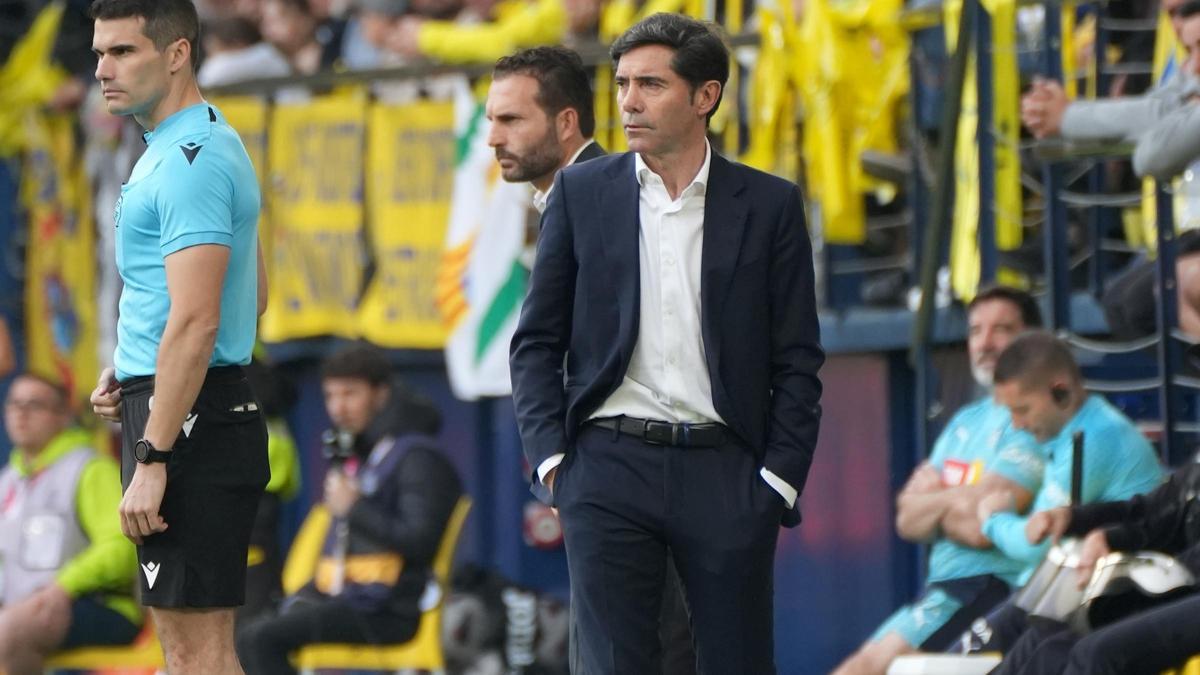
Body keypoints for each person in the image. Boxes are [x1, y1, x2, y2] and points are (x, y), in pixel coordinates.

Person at [509, 13, 824, 674]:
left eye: (650, 84)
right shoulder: (581, 191)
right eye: (623, 83)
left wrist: (778, 479)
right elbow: (536, 342)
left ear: (704, 96)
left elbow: (797, 358)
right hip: (607, 465)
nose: (628, 101)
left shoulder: (769, 205)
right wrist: (553, 463)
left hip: (728, 471)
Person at [488, 46, 695, 675]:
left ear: (567, 122)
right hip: (600, 478)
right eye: (492, 121)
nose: (494, 138)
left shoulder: (627, 199)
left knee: (655, 651)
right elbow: (539, 351)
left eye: (512, 121)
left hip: (652, 468)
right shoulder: (562, 204)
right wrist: (556, 467)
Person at [87, 1, 270, 672]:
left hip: (188, 426)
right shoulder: (188, 143)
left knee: (195, 652)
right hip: (181, 405)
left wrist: (154, 453)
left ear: (176, 54)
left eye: (123, 52)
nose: (103, 69)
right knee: (189, 649)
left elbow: (199, 320)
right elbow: (253, 294)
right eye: (99, 53)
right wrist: (133, 369)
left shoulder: (190, 160)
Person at [831, 287, 1048, 675]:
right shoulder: (966, 422)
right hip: (943, 589)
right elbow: (907, 520)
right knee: (856, 668)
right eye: (976, 330)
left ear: (1031, 340)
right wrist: (960, 502)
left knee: (881, 670)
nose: (985, 342)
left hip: (993, 584)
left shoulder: (1032, 416)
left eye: (1002, 329)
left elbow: (985, 527)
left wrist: (937, 500)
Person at [236, 344, 463, 675]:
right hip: (352, 600)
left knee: (260, 640)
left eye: (350, 394)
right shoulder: (366, 457)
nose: (338, 408)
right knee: (255, 632)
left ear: (382, 394)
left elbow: (420, 540)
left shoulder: (418, 457)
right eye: (330, 396)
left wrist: (354, 507)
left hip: (391, 611)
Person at [953, 331, 1166, 656]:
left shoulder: (1093, 438)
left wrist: (993, 520)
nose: (1017, 425)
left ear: (1061, 391)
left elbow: (1036, 544)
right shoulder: (1074, 432)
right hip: (1058, 591)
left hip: (1108, 597)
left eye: (1022, 409)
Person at [987, 457, 1200, 675]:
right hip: (1180, 582)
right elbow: (1147, 511)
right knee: (1049, 637)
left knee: (1093, 653)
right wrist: (1072, 518)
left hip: (1187, 586)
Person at [0, 373, 140, 674]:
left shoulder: (90, 468)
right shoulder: (8, 480)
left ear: (62, 416)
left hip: (96, 604)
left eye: (34, 405)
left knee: (7, 632)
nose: (21, 413)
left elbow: (121, 548)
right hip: (20, 607)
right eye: (14, 404)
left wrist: (62, 587)